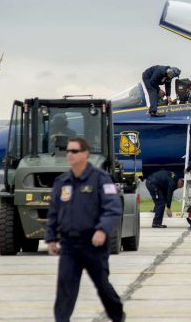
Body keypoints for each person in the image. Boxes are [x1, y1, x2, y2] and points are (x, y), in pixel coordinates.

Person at [44, 137, 124, 322]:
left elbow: (113, 208)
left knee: (103, 287)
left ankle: (117, 316)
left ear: (85, 154)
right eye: (68, 151)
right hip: (70, 246)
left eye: (74, 151)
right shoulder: (62, 181)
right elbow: (54, 212)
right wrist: (51, 238)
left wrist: (102, 230)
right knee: (65, 290)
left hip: (93, 245)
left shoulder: (100, 179)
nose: (69, 155)